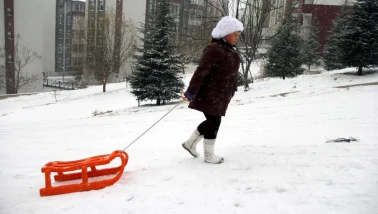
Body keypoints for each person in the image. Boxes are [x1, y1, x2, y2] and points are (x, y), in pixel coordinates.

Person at [181, 16, 243, 164]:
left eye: (238, 35)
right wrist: (191, 91)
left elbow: (232, 73)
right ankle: (209, 155)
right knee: (214, 121)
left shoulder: (230, 50)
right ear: (226, 33)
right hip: (209, 92)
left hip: (221, 94)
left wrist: (233, 88)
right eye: (235, 34)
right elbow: (201, 71)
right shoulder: (214, 49)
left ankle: (190, 143)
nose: (237, 37)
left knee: (212, 120)